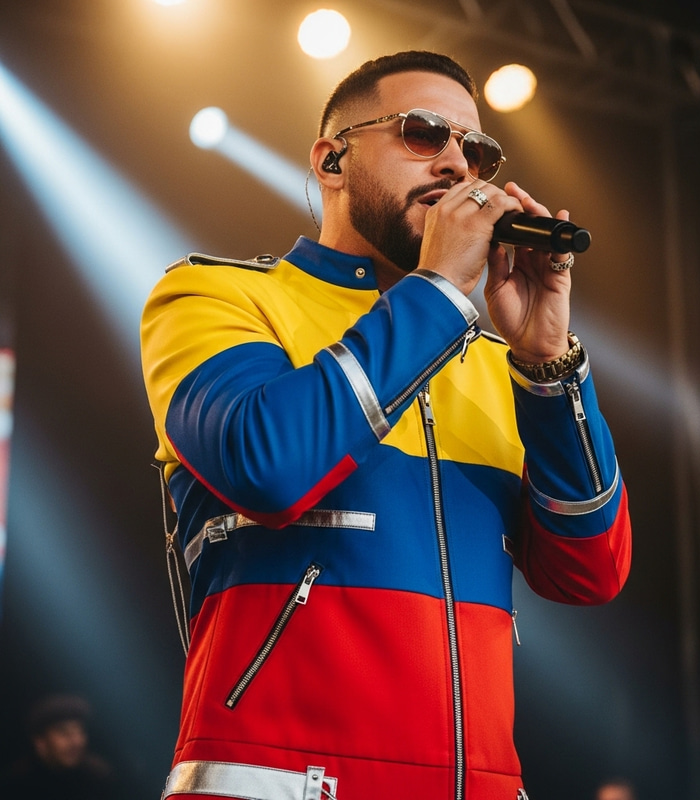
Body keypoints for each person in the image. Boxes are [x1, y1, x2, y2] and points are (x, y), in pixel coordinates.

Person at [141, 50, 632, 800]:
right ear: (332, 159)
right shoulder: (214, 296)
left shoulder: (489, 362)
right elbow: (266, 467)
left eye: (477, 151)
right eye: (424, 132)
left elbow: (590, 572)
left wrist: (546, 363)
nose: (457, 165)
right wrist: (438, 293)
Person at [0, 694, 117, 800]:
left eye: (80, 732)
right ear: (40, 742)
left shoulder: (99, 777)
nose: (76, 742)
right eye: (64, 732)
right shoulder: (17, 783)